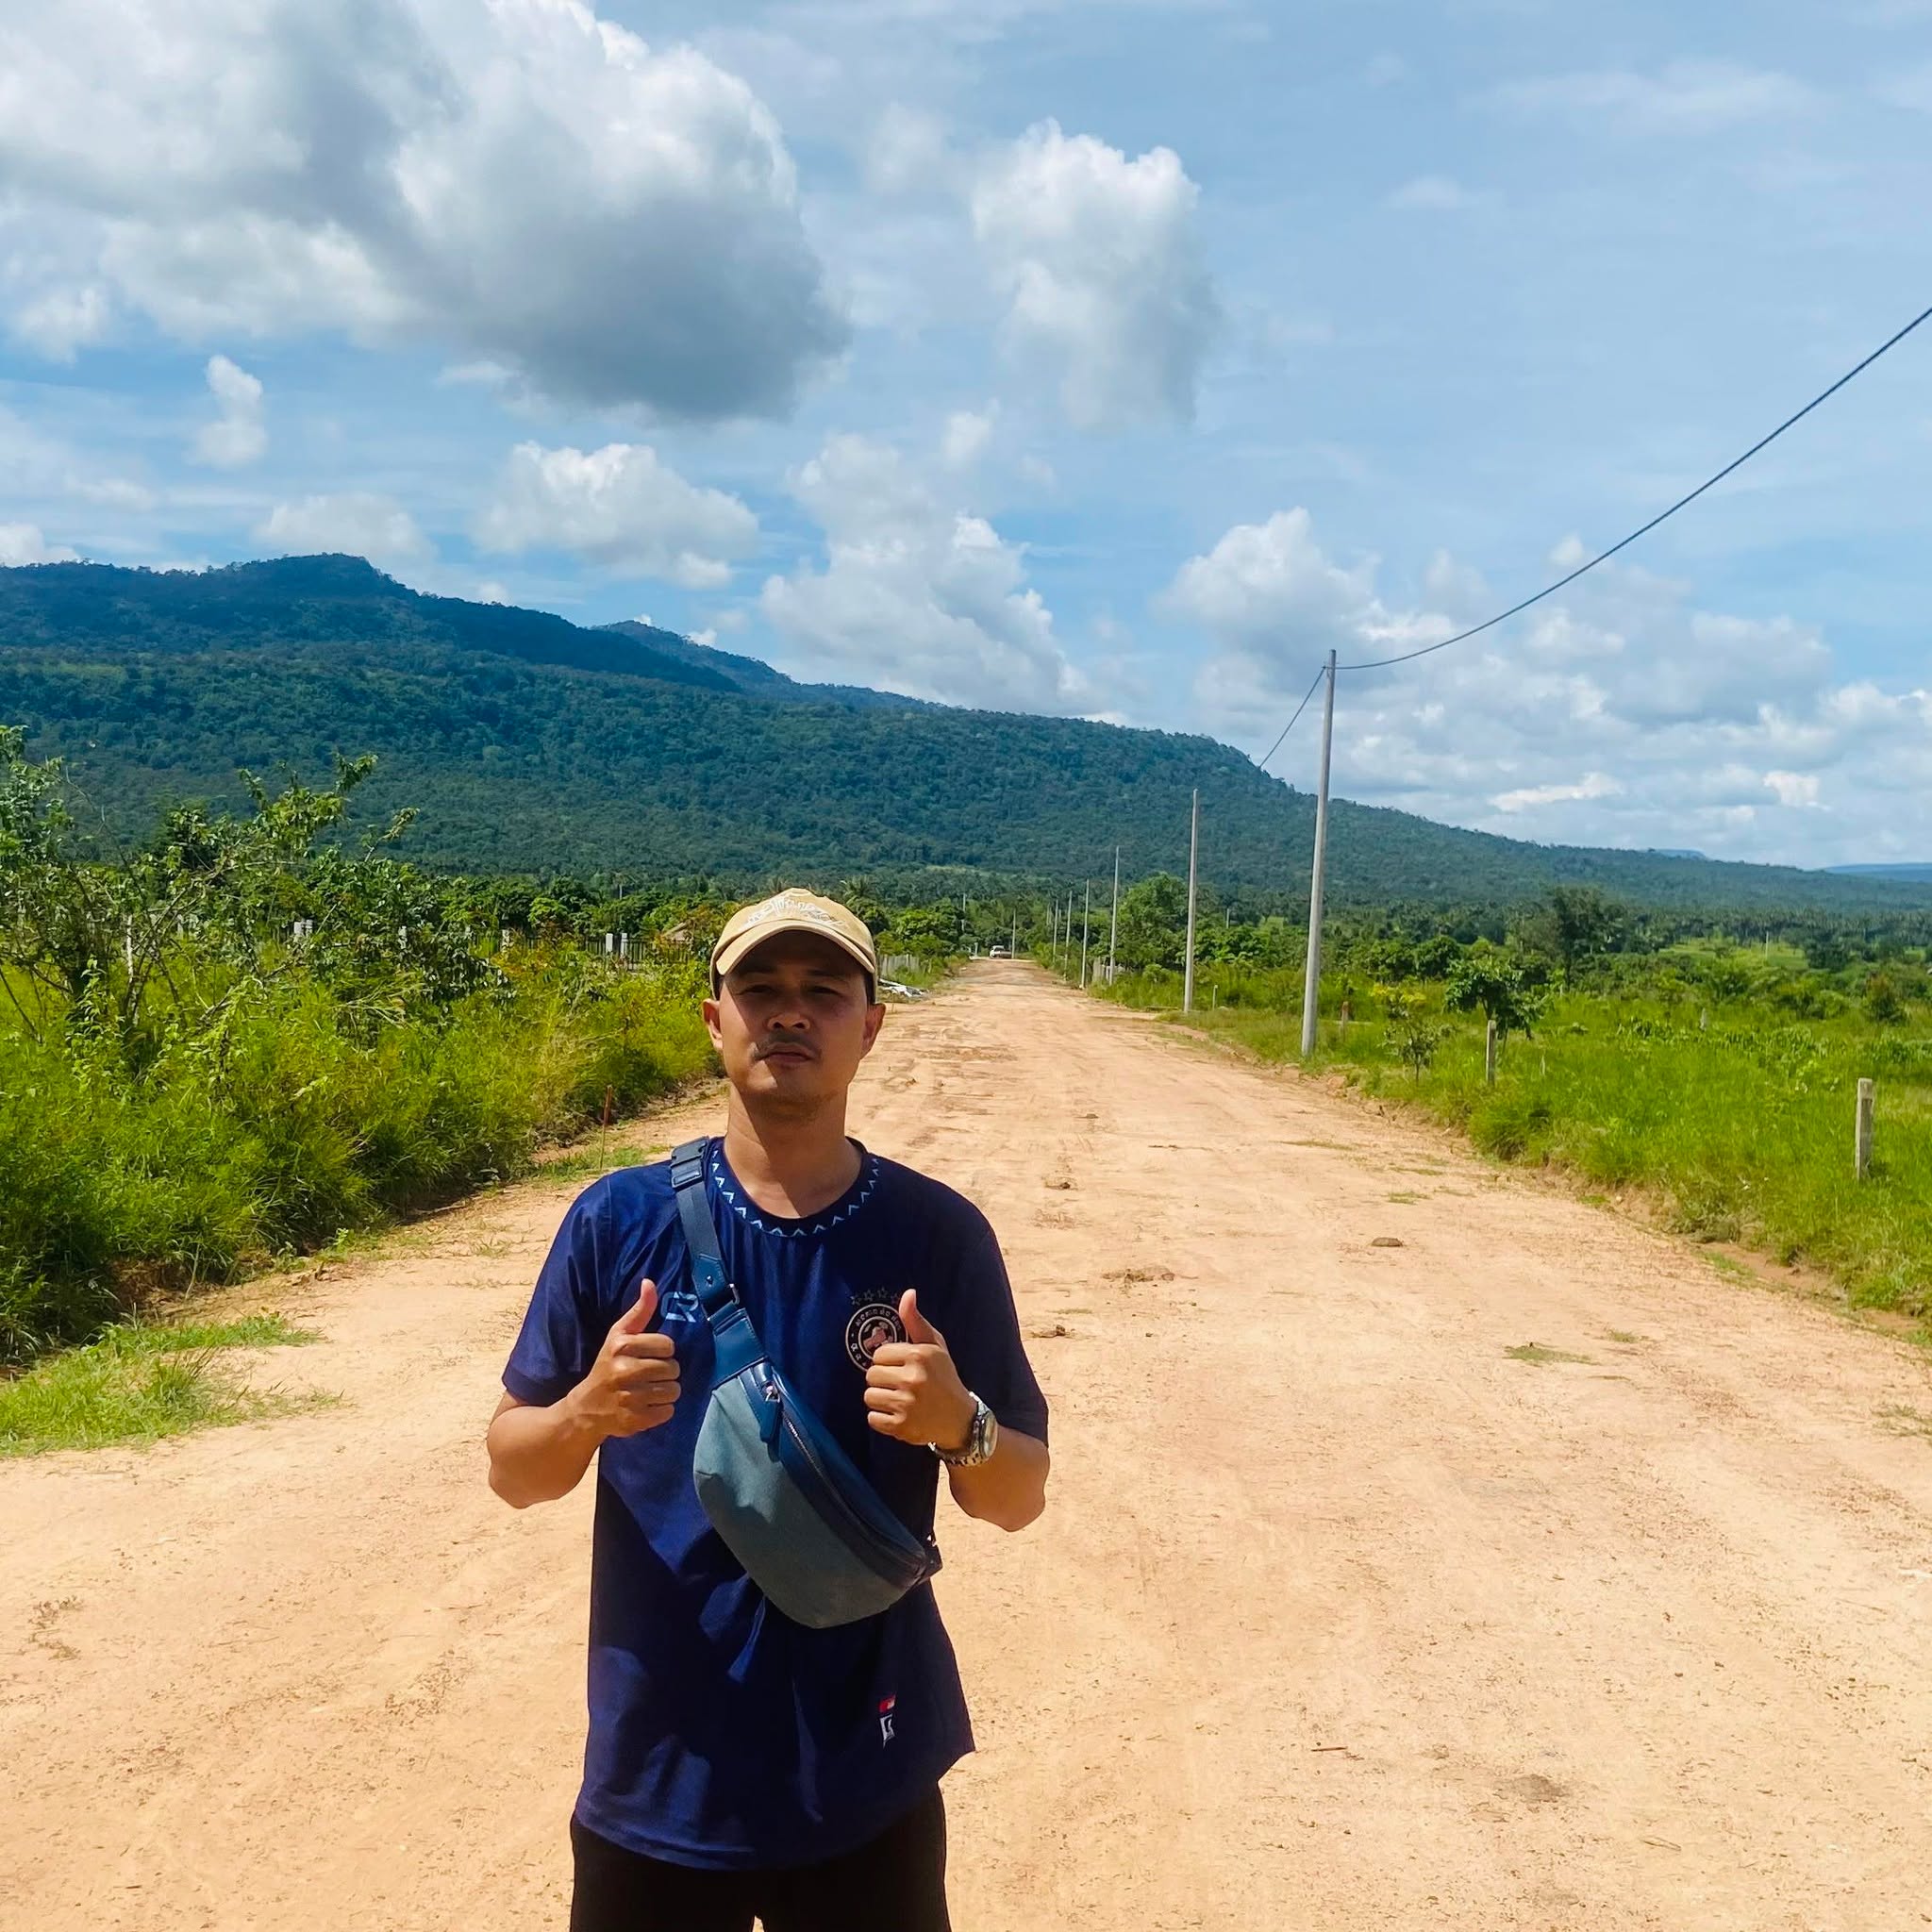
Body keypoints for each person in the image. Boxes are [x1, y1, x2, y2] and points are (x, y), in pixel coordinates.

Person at [487, 888, 1051, 1932]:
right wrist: (584, 1413)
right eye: (760, 989)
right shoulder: (616, 1220)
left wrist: (960, 1424)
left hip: (865, 1777)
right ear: (716, 1020)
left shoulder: (937, 1236)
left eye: (823, 992)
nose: (789, 1011)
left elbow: (1017, 1497)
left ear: (869, 1027)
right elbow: (513, 1470)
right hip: (659, 1773)